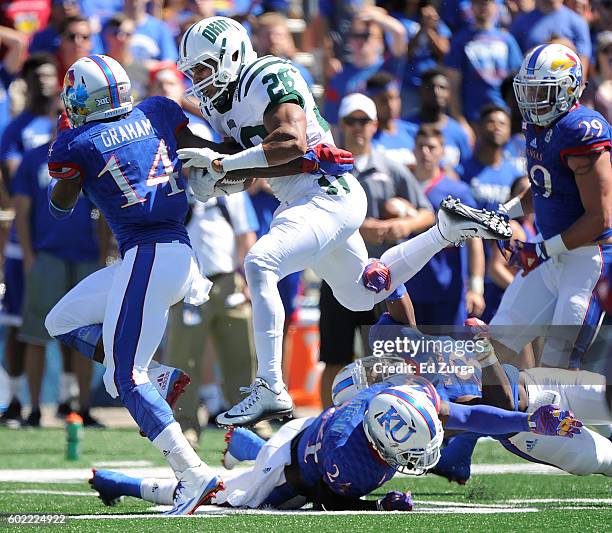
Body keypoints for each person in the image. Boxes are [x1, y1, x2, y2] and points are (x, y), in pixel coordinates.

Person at [44, 53, 361, 513]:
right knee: (62, 320)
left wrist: (63, 140)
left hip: (149, 255)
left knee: (124, 377)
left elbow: (60, 204)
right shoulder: (157, 110)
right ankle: (162, 377)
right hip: (175, 256)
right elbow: (220, 158)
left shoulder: (76, 143)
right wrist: (307, 160)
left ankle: (193, 476)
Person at [176, 16, 513, 427]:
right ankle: (445, 230)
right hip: (306, 199)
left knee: (260, 263)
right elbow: (252, 165)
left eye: (203, 68)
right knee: (362, 294)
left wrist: (223, 163)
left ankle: (269, 386)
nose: (198, 79)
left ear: (230, 56)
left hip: (326, 193)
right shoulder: (223, 104)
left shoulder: (268, 74)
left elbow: (290, 142)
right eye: (192, 71)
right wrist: (219, 177)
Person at [89, 378, 579, 510]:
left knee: (262, 455)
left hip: (305, 428)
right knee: (216, 494)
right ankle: (124, 484)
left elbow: (469, 415)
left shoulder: (404, 401)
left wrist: (527, 418)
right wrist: (378, 506)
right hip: (295, 475)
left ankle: (245, 443)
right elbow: (322, 497)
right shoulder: (353, 463)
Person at [493, 43, 612, 370]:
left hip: (587, 260)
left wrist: (543, 250)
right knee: (493, 348)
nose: (532, 101)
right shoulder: (538, 125)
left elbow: (600, 217)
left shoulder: (582, 130)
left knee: (557, 369)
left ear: (569, 89)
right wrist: (505, 212)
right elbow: (546, 187)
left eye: (542, 92)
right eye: (529, 91)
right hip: (550, 254)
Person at [319, 93, 434, 406]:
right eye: (351, 121)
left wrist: (403, 227)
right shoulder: (328, 168)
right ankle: (325, 423)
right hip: (338, 274)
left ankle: (380, 418)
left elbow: (427, 212)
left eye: (364, 120)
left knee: (385, 359)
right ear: (341, 125)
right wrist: (360, 228)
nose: (358, 127)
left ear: (374, 125)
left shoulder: (390, 166)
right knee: (334, 357)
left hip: (383, 278)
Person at [405, 126, 486, 326]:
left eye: (431, 147)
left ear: (442, 151)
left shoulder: (458, 191)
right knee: (410, 354)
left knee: (448, 355)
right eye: (421, 146)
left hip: (447, 291)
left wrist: (476, 288)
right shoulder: (403, 186)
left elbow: (475, 241)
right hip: (409, 289)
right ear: (413, 150)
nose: (425, 152)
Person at [444, 0, 523, 126]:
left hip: (503, 115)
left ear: (495, 6)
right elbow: (452, 83)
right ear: (471, 7)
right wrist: (458, 118)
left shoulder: (507, 40)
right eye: (478, 3)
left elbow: (518, 79)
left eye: (487, 3)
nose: (483, 7)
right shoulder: (461, 40)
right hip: (472, 118)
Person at [404, 67, 473, 178]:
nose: (436, 92)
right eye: (430, 87)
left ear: (449, 94)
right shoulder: (403, 127)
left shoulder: (458, 132)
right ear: (421, 90)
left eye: (442, 88)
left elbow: (467, 168)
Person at [461, 105, 524, 212]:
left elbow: (521, 210)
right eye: (491, 122)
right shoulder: (461, 170)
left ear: (509, 132)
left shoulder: (516, 174)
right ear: (479, 128)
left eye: (502, 124)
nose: (497, 127)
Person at [509, 0, 592, 75]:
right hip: (532, 85)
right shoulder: (520, 22)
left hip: (566, 85)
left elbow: (582, 67)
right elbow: (515, 66)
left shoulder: (578, 22)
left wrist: (567, 48)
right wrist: (546, 48)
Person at [366, 72, 419, 169]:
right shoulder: (365, 138)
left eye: (394, 98)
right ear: (371, 101)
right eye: (383, 100)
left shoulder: (414, 132)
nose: (391, 105)